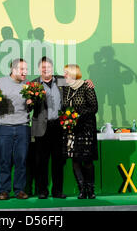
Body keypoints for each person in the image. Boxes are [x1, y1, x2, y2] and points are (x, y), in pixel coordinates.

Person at [32, 57, 95, 199]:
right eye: (43, 67)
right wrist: (30, 101)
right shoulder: (34, 84)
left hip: (59, 127)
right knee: (41, 162)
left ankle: (57, 191)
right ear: (39, 69)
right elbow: (29, 106)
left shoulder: (61, 80)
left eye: (48, 67)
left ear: (52, 68)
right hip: (41, 127)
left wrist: (87, 82)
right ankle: (42, 191)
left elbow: (76, 83)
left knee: (58, 161)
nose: (46, 69)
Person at [0, 58, 32, 200]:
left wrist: (32, 103)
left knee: (21, 160)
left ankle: (19, 190)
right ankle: (3, 190)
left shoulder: (29, 85)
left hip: (22, 127)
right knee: (4, 160)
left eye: (26, 69)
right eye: (22, 69)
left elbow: (31, 107)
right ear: (13, 70)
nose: (25, 72)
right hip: (3, 128)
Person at [61, 64, 98, 199]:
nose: (64, 75)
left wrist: (77, 115)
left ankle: (91, 189)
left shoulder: (86, 86)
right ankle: (82, 189)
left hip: (85, 129)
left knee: (87, 160)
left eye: (66, 73)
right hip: (71, 131)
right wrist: (67, 117)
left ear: (72, 73)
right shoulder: (65, 88)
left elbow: (94, 108)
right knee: (75, 160)